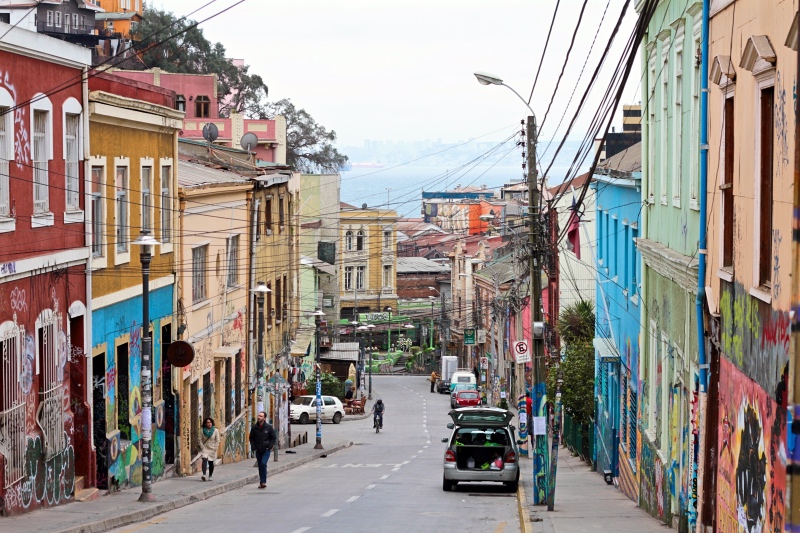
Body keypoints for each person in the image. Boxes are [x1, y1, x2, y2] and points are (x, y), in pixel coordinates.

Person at [249, 411, 276, 489]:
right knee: (260, 466)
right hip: (258, 450)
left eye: (261, 416)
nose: (259, 417)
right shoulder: (254, 428)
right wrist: (254, 447)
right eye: (258, 416)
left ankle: (263, 481)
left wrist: (270, 446)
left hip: (266, 449)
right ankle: (261, 482)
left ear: (264, 418)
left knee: (263, 463)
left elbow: (273, 438)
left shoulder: (268, 427)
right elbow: (251, 438)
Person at [199, 417, 220, 481]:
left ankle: (210, 475)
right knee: (204, 459)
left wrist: (215, 447)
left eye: (210, 422)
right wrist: (202, 447)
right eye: (207, 422)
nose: (209, 424)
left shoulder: (215, 430)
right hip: (205, 448)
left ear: (212, 423)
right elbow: (199, 440)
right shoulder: (202, 430)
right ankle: (204, 475)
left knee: (211, 462)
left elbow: (218, 440)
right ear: (205, 424)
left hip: (212, 448)